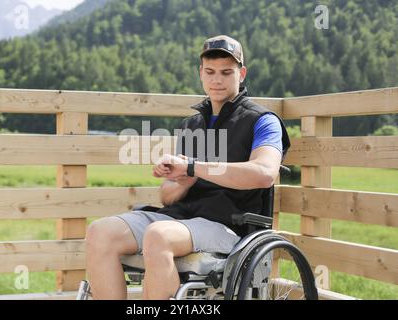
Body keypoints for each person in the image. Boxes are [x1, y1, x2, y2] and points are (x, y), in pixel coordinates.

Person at [85, 35, 290, 300]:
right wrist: (182, 179)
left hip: (229, 224)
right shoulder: (191, 125)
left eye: (226, 72)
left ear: (242, 73)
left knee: (158, 235)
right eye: (210, 72)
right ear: (201, 74)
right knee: (100, 232)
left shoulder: (262, 121)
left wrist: (193, 167)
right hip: (180, 218)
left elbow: (264, 174)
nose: (217, 80)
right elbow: (167, 197)